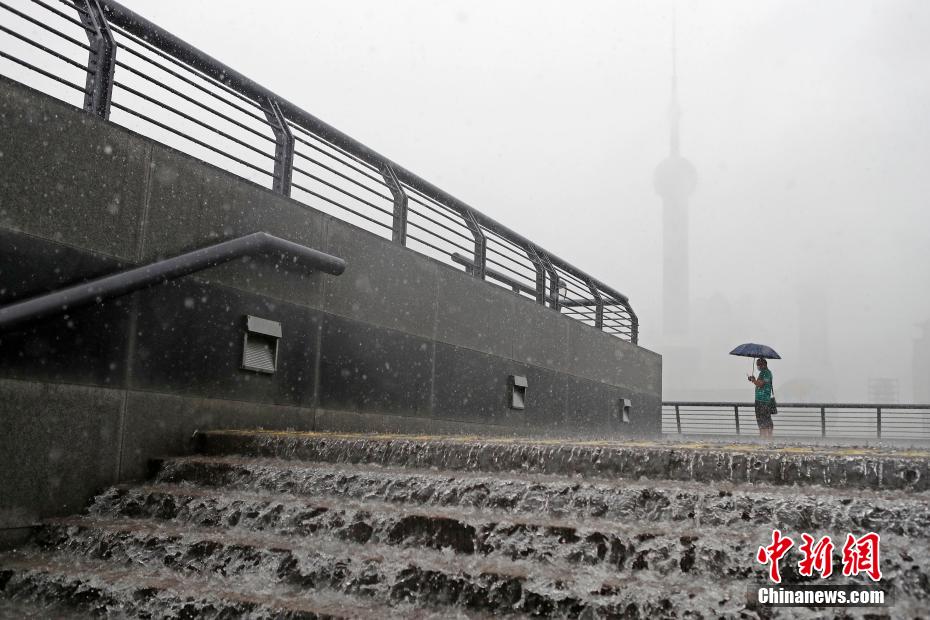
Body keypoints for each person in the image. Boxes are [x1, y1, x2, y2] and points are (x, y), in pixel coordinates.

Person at [748, 358, 774, 438]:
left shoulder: (766, 373)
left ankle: (767, 437)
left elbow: (760, 384)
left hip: (763, 400)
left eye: (758, 365)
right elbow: (759, 383)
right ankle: (763, 436)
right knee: (762, 419)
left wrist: (754, 380)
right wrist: (753, 379)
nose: (758, 366)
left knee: (764, 419)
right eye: (757, 365)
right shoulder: (763, 373)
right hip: (760, 400)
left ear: (764, 365)